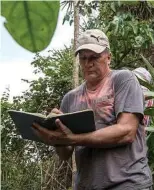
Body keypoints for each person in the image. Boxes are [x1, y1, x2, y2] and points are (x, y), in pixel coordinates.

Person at [32, 29, 153, 190]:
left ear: (108, 57)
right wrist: (55, 136)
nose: (88, 64)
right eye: (83, 58)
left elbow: (127, 131)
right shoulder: (70, 98)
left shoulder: (123, 79)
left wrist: (72, 138)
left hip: (128, 183)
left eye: (94, 57)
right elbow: (65, 154)